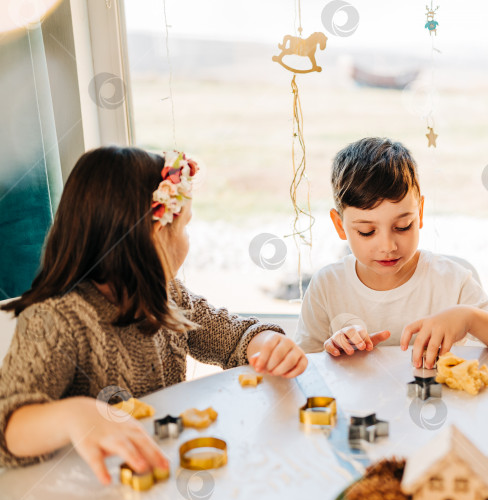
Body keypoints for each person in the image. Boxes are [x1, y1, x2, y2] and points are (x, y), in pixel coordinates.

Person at [0, 146, 307, 482]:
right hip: (93, 494)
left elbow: (233, 336)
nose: (187, 240)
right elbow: (8, 426)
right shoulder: (55, 321)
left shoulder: (167, 293)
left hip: (163, 474)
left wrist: (266, 343)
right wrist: (77, 415)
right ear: (154, 236)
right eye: (185, 227)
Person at [295, 137, 488, 366]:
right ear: (340, 225)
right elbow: (305, 367)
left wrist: (468, 318)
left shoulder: (450, 280)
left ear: (420, 213)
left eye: (403, 226)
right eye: (367, 231)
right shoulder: (327, 285)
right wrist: (333, 353)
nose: (388, 246)